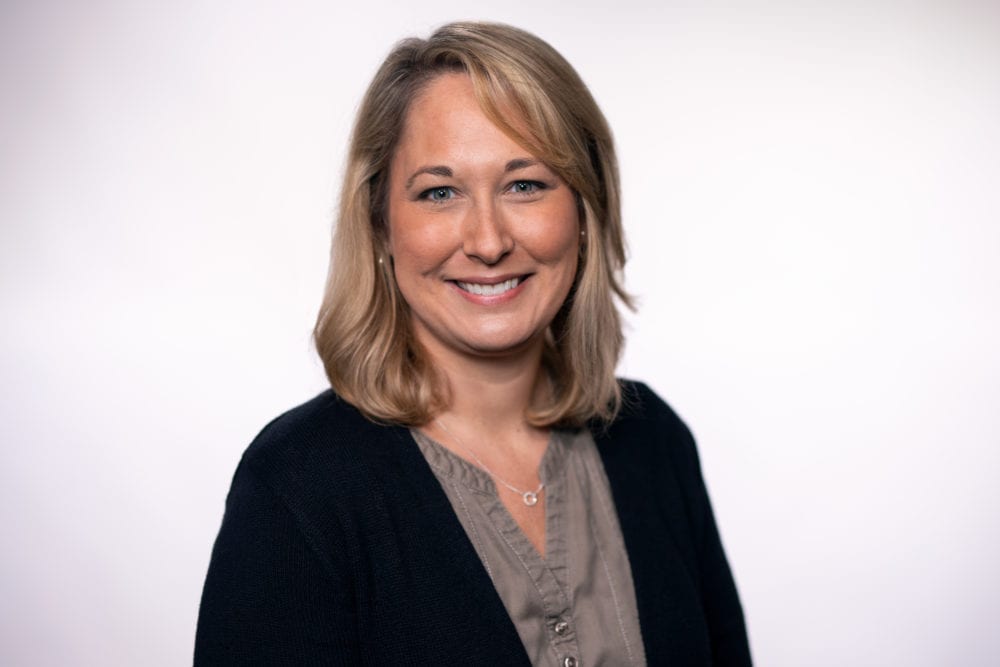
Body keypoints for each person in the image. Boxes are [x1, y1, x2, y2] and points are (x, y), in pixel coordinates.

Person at [195, 21, 751, 666]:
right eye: (440, 192)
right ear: (379, 226)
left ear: (585, 210)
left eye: (525, 184)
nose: (488, 242)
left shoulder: (653, 442)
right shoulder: (300, 487)